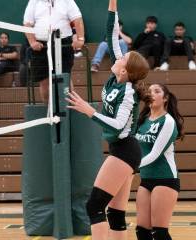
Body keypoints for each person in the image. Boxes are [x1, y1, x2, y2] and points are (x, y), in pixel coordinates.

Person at [66, 0, 149, 239]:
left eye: (123, 58)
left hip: (125, 150)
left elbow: (117, 125)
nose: (118, 56)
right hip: (123, 150)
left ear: (125, 70)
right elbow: (111, 33)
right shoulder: (118, 77)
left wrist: (87, 110)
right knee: (115, 212)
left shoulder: (129, 92)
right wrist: (113, 3)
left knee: (94, 207)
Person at [135, 84, 184, 240]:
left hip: (165, 179)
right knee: (142, 231)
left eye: (157, 91)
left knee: (159, 233)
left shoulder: (168, 122)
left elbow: (155, 154)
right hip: (146, 179)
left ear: (165, 98)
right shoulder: (142, 120)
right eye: (149, 91)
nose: (152, 94)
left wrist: (131, 166)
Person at [23, 0, 85, 103]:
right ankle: (49, 112)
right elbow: (27, 23)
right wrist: (32, 42)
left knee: (65, 78)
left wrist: (81, 39)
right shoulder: (34, 2)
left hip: (63, 43)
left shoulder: (67, 1)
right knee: (44, 82)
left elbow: (77, 19)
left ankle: (69, 112)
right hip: (41, 46)